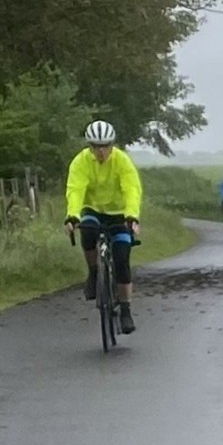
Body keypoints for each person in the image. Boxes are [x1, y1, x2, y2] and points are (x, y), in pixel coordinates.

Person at [64, 120, 143, 333]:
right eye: (96, 146)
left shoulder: (122, 162)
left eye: (105, 146)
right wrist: (72, 216)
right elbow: (76, 189)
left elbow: (131, 190)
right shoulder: (81, 162)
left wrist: (132, 217)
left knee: (121, 260)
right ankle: (92, 272)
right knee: (88, 234)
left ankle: (125, 310)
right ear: (89, 146)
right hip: (92, 210)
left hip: (119, 214)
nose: (101, 151)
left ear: (112, 144)